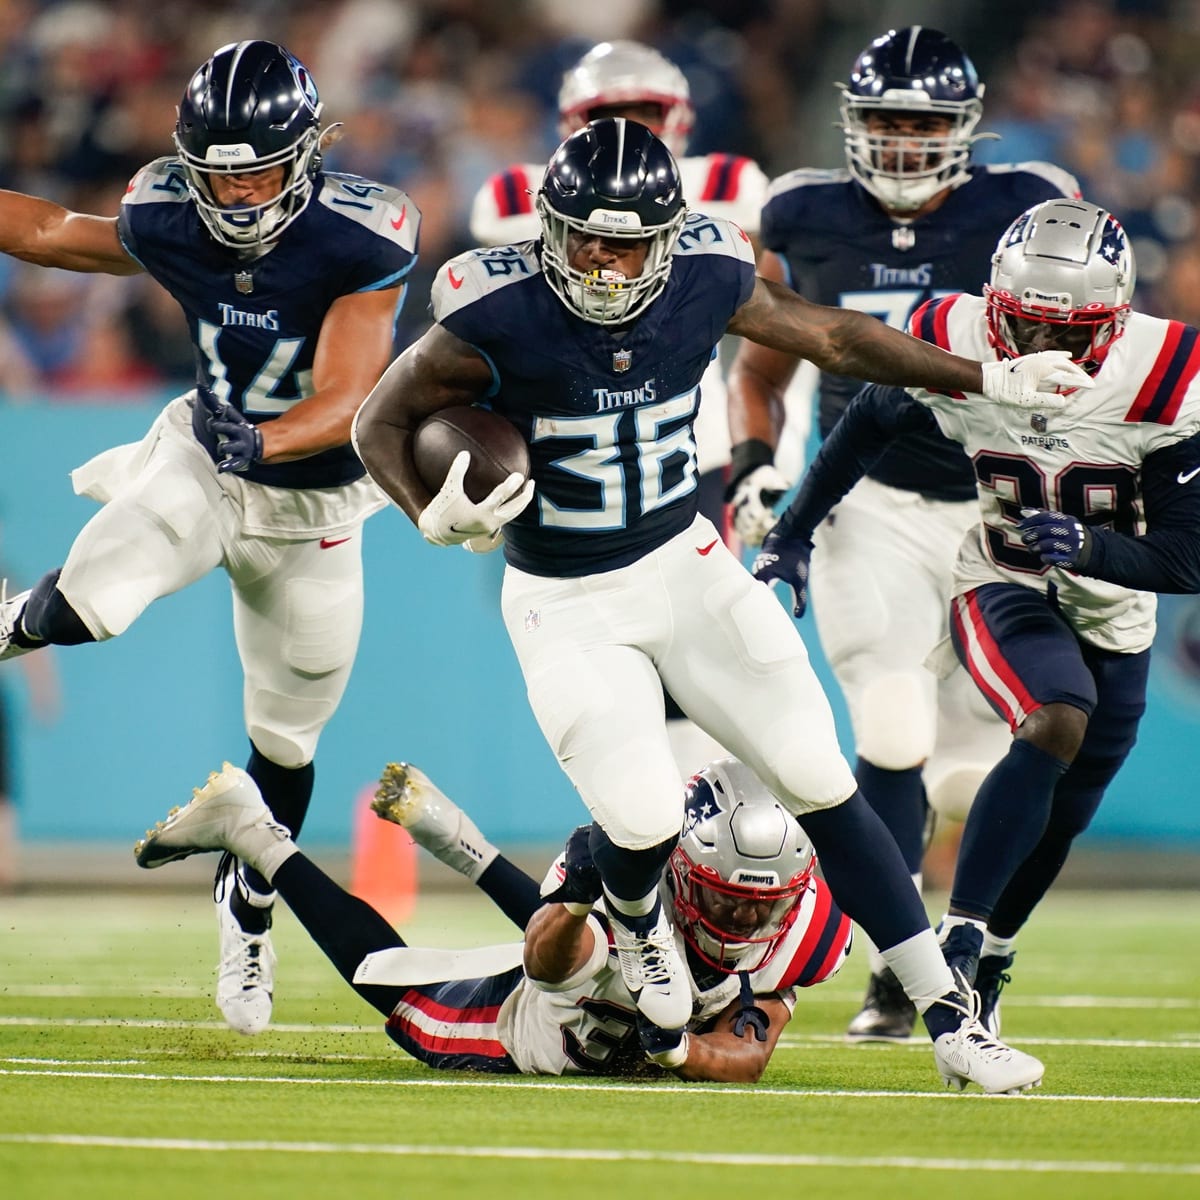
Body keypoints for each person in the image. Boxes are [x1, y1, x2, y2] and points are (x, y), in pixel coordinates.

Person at [352, 117, 1090, 1092]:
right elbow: (378, 421)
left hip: (686, 563)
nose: (607, 264)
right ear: (549, 228)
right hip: (568, 596)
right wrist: (426, 513)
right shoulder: (495, 312)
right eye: (586, 238)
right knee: (644, 812)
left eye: (628, 242)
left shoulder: (708, 276)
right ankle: (638, 928)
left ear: (669, 236)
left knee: (817, 774)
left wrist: (989, 376)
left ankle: (953, 1022)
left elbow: (834, 333)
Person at [0, 40, 420, 1034]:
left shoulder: (364, 234)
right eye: (217, 172)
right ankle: (14, 623)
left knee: (287, 739)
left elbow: (353, 395)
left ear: (307, 155)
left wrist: (266, 438)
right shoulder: (168, 212)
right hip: (204, 455)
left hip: (311, 503)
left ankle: (248, 922)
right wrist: (236, 440)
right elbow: (58, 230)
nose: (235, 194)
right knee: (96, 599)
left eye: (258, 171)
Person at [753, 197, 1200, 1034]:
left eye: (1069, 332)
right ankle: (949, 939)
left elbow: (1189, 556)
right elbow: (865, 425)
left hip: (1116, 607)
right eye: (1025, 325)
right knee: (1053, 718)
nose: (1042, 350)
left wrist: (1092, 550)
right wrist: (793, 531)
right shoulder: (954, 338)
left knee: (1067, 810)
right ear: (994, 303)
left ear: (1116, 320)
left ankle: (991, 953)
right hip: (1001, 575)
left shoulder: (1170, 371)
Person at [724, 26, 1082, 1043]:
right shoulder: (802, 211)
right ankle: (901, 968)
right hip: (863, 500)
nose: (902, 139)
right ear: (852, 121)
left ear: (963, 129)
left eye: (922, 121)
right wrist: (756, 465)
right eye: (884, 118)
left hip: (995, 509)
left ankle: (955, 939)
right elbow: (763, 366)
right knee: (889, 724)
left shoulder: (1025, 202)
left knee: (979, 769)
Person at [135, 756, 851, 1081]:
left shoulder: (804, 928)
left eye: (760, 904)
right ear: (680, 870)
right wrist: (577, 897)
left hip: (614, 1005)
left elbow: (751, 1054)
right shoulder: (639, 868)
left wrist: (680, 1053)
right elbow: (549, 961)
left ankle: (454, 836)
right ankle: (251, 830)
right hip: (542, 1024)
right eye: (725, 896)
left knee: (600, 950)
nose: (738, 918)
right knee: (394, 985)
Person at [469, 38, 777, 778]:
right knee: (602, 675)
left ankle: (705, 834)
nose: (631, 128)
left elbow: (767, 312)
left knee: (708, 661)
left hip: (684, 448)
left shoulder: (732, 183)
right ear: (572, 120)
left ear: (680, 117)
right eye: (611, 113)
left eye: (646, 111)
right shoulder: (521, 196)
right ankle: (641, 834)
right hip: (565, 457)